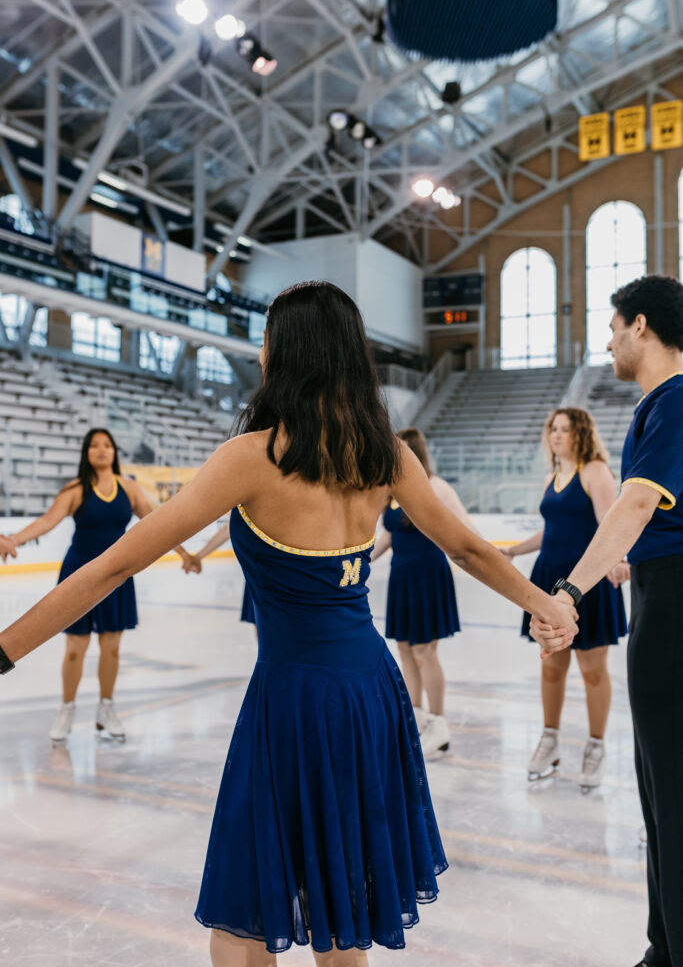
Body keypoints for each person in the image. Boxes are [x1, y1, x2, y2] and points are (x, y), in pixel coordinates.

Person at [0, 282, 577, 966]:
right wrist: (543, 604)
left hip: (293, 697)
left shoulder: (250, 457)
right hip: (369, 692)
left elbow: (108, 569)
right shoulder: (385, 453)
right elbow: (468, 548)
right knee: (343, 904)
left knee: (243, 915)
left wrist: (4, 651)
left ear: (284, 351)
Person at [530, 275, 683, 967]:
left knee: (671, 788)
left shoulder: (675, 399)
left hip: (674, 603)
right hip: (656, 592)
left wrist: (567, 590)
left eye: (613, 326)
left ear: (641, 325)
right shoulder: (662, 403)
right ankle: (663, 942)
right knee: (658, 788)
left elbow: (633, 506)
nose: (607, 341)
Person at [6, 428, 195, 743]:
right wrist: (12, 539)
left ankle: (106, 708)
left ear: (114, 452)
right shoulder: (75, 489)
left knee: (112, 647)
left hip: (117, 577)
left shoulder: (130, 489)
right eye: (94, 445)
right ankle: (67, 708)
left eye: (107, 445)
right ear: (86, 452)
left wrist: (186, 554)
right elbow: (45, 522)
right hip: (77, 575)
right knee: (74, 651)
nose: (101, 450)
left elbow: (159, 525)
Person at [502, 408, 628, 789]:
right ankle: (550, 740)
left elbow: (611, 523)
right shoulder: (552, 477)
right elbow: (550, 530)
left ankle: (596, 746)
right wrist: (514, 551)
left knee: (592, 671)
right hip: (548, 583)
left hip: (587, 585)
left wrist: (618, 561)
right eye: (553, 429)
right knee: (551, 667)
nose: (557, 435)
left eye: (565, 429)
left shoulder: (595, 471)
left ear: (581, 433)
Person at [372, 427, 474, 757]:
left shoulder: (436, 487)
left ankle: (438, 723)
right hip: (402, 575)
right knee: (404, 649)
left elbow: (463, 526)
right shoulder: (391, 491)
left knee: (424, 651)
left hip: (428, 574)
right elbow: (388, 535)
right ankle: (415, 717)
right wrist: (359, 559)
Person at [182, 522, 256, 624]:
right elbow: (229, 528)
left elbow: (228, 528)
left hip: (266, 573)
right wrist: (197, 557)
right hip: (258, 575)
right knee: (261, 623)